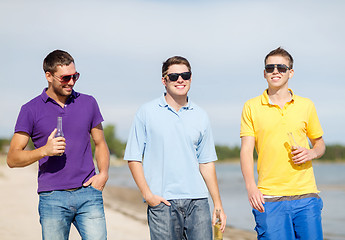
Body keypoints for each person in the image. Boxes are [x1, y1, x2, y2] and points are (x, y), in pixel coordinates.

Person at [7, 50, 110, 240]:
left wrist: (102, 174)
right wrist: (44, 151)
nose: (71, 82)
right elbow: (12, 158)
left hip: (89, 194)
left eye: (75, 76)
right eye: (65, 78)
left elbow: (100, 143)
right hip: (52, 197)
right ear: (48, 76)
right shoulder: (30, 110)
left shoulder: (88, 102)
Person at [124, 56, 226, 239]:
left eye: (185, 75)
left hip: (198, 202)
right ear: (164, 80)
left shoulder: (201, 116)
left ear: (191, 78)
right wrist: (148, 195)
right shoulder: (146, 112)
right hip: (162, 202)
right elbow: (133, 157)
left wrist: (217, 203)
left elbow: (207, 163)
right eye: (174, 76)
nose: (180, 80)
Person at [240, 47, 325, 240]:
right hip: (269, 198)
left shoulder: (307, 105)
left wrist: (312, 153)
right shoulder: (251, 107)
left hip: (306, 196)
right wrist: (251, 187)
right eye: (270, 68)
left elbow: (320, 144)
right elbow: (246, 151)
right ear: (264, 73)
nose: (275, 71)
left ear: (290, 72)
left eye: (281, 67)